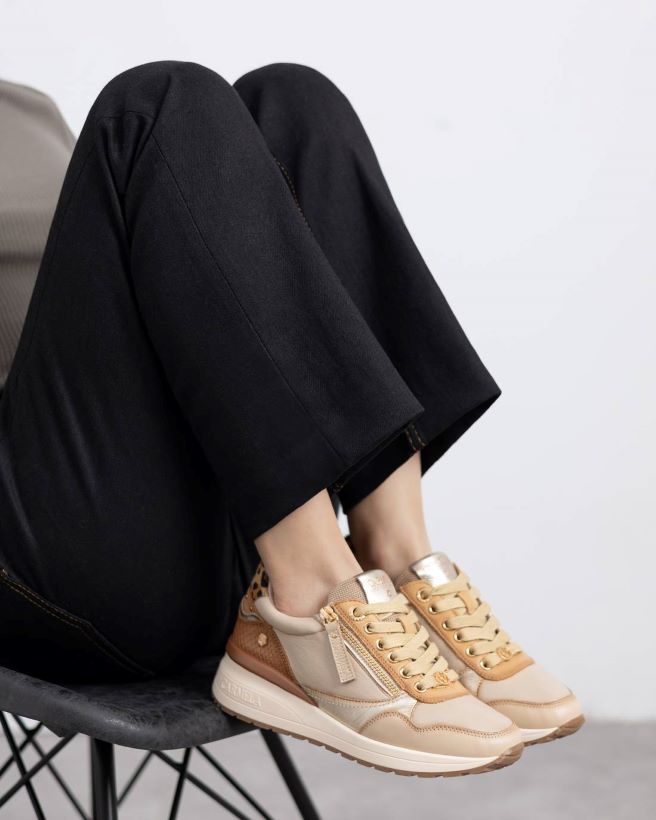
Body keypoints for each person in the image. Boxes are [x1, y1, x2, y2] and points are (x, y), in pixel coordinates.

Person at [0, 61, 582, 777]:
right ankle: (311, 601)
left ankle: (392, 560)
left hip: (191, 538)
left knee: (292, 101)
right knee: (153, 104)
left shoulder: (25, 106)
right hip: (41, 575)